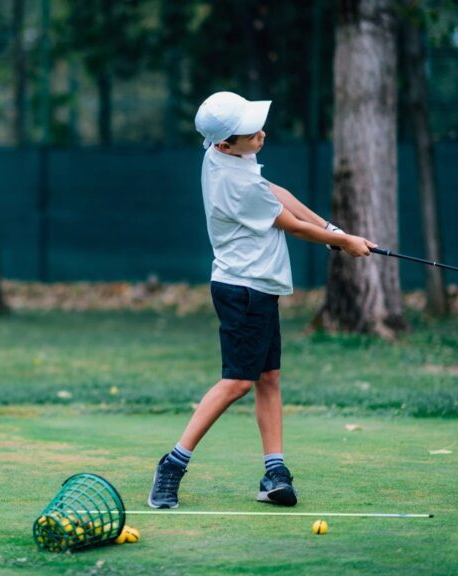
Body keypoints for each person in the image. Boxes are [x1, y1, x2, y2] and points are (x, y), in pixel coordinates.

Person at [147, 91, 375, 509]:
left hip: (260, 289)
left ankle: (275, 472)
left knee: (269, 379)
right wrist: (342, 242)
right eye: (250, 132)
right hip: (242, 291)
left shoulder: (228, 157)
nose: (261, 133)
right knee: (237, 382)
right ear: (224, 143)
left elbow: (275, 191)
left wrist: (332, 229)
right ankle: (172, 465)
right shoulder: (233, 180)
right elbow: (289, 225)